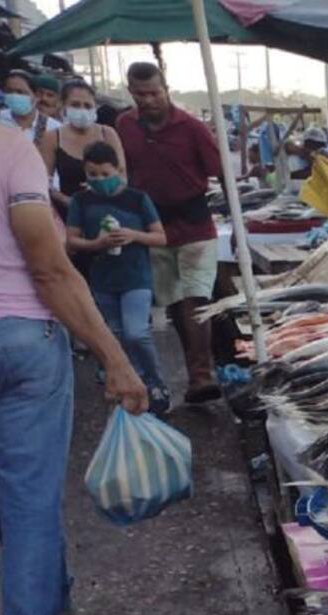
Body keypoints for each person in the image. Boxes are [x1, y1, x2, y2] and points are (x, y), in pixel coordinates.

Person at [0, 44, 148, 615]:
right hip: (21, 344)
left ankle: (52, 599)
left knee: (2, 496)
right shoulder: (4, 147)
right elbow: (50, 266)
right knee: (29, 500)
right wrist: (114, 359)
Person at [116, 61, 222, 404]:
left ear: (166, 90)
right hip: (153, 224)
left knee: (196, 298)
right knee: (174, 301)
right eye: (140, 94)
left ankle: (202, 375)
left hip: (194, 221)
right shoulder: (124, 126)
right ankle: (195, 372)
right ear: (131, 92)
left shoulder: (191, 127)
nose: (148, 100)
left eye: (154, 93)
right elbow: (123, 171)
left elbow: (220, 170)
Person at [66, 141, 171, 415]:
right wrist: (97, 244)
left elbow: (160, 236)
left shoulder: (137, 199)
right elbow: (72, 241)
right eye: (92, 175)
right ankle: (130, 385)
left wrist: (134, 235)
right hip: (103, 281)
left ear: (118, 169)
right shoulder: (81, 201)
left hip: (136, 277)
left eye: (104, 174)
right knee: (116, 335)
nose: (99, 180)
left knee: (137, 333)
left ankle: (154, 380)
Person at [38, 79, 125, 218]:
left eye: (87, 106)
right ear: (63, 105)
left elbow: (122, 175)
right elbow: (43, 181)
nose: (82, 110)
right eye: (75, 105)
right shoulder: (52, 137)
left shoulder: (108, 134)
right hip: (69, 213)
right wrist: (67, 201)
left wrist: (107, 194)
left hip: (109, 211)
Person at [0, 69, 59, 143]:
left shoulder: (53, 128)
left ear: (36, 96)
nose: (14, 95)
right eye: (9, 91)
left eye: (20, 92)